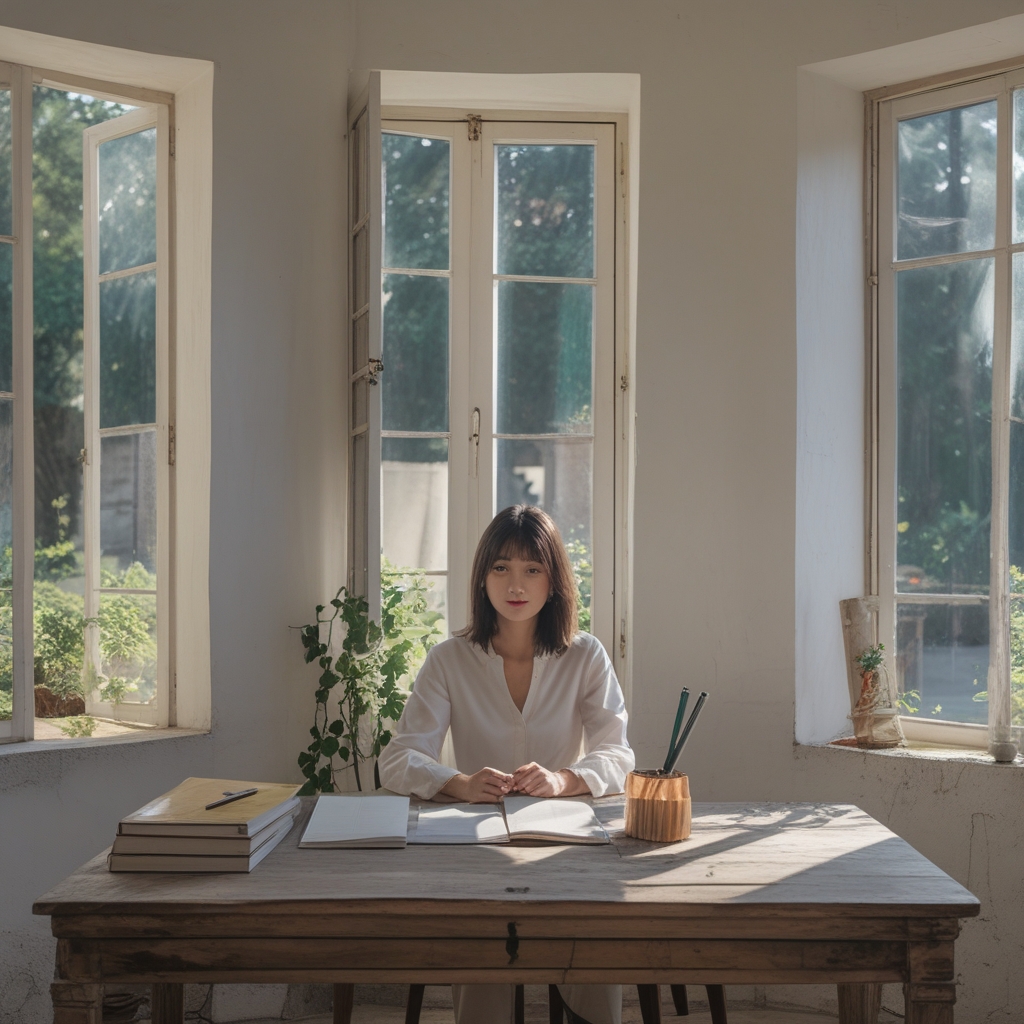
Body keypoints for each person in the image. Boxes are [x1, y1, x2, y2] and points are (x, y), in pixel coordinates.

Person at [378, 504, 634, 1024]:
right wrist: (458, 782)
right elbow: (399, 758)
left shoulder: (585, 655)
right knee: (482, 941)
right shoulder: (449, 659)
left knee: (595, 931)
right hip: (474, 843)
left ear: (553, 580)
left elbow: (618, 753)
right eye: (501, 567)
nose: (515, 583)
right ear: (482, 577)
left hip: (565, 839)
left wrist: (564, 779)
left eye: (532, 569)